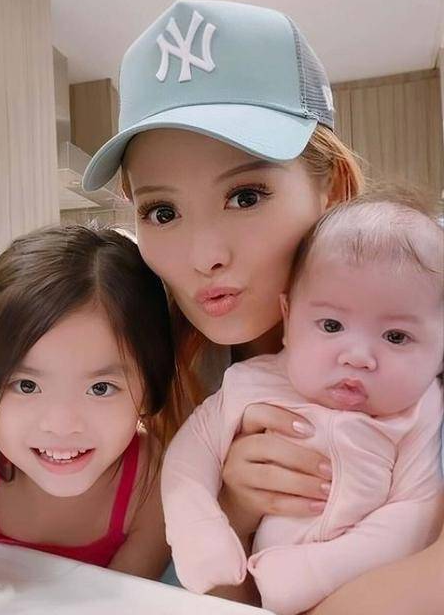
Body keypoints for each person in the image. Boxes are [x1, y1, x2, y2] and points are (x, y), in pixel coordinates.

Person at [81, 0, 444, 610]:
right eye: (162, 212)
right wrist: (236, 507)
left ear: (334, 188)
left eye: (246, 196)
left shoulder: (427, 308)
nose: (205, 256)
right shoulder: (178, 366)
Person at [161, 196, 443, 614]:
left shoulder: (422, 412)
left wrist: (314, 571)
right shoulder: (253, 383)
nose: (358, 357)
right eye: (331, 325)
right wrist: (201, 530)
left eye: (396, 337)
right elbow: (188, 459)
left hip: (366, 584)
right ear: (289, 317)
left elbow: (414, 514)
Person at [0, 226, 174, 578]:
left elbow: (124, 602)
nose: (62, 425)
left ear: (150, 387)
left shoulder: (154, 479)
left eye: (101, 388)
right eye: (26, 386)